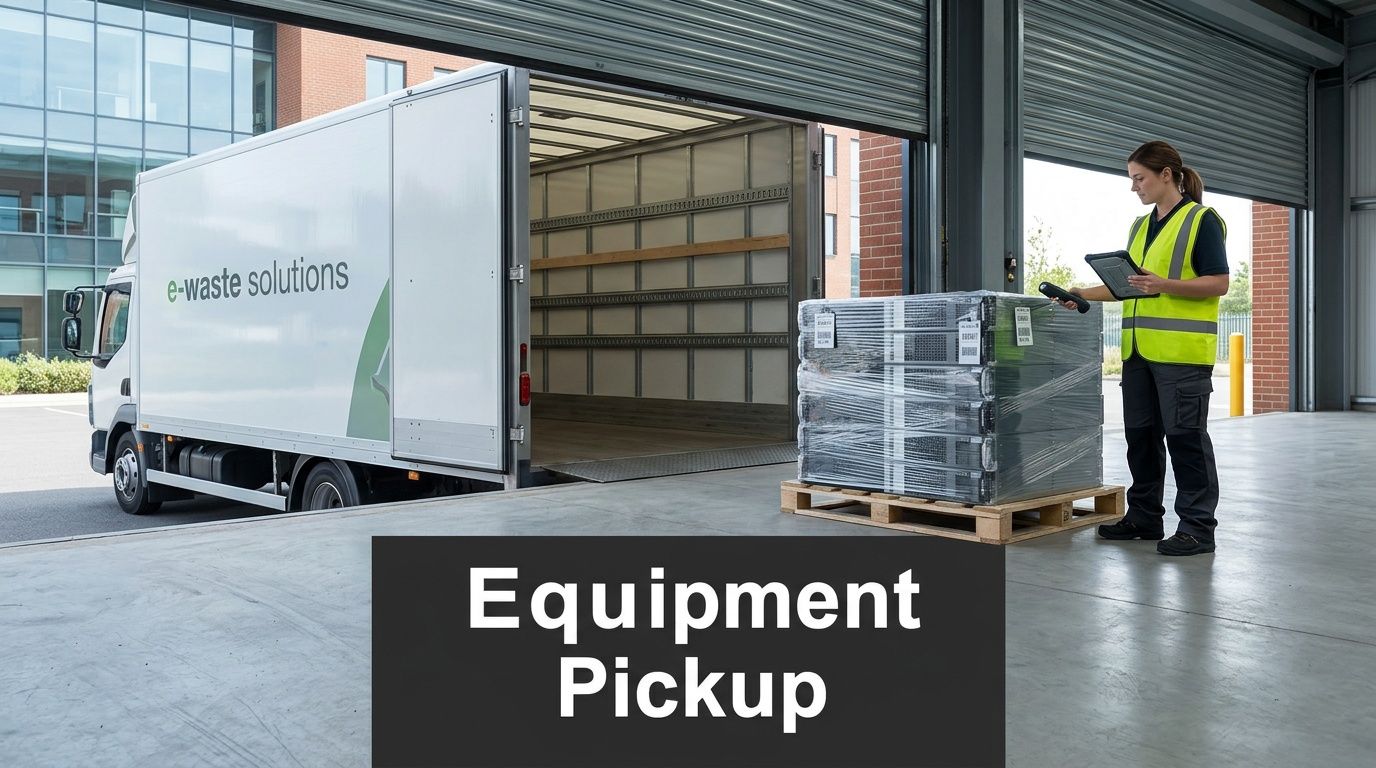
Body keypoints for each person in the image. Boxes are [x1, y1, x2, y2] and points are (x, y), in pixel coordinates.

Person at [1054, 140, 1229, 556]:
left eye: (1139, 178)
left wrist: (1165, 284)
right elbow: (1128, 288)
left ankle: (1198, 528)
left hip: (1181, 355)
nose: (1134, 187)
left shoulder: (1202, 221)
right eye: (1132, 179)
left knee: (1185, 440)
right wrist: (1080, 292)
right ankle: (1145, 517)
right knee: (1141, 438)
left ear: (1166, 175)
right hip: (1137, 353)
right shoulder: (1139, 227)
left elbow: (1219, 283)